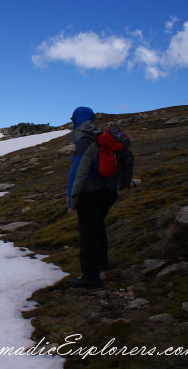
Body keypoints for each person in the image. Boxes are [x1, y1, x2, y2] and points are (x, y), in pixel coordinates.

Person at [66, 106, 117, 289]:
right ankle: (103, 263)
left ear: (76, 120)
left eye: (72, 119)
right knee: (98, 227)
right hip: (108, 191)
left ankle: (90, 276)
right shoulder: (99, 135)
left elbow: (77, 171)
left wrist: (72, 199)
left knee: (88, 234)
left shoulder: (84, 139)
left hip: (90, 193)